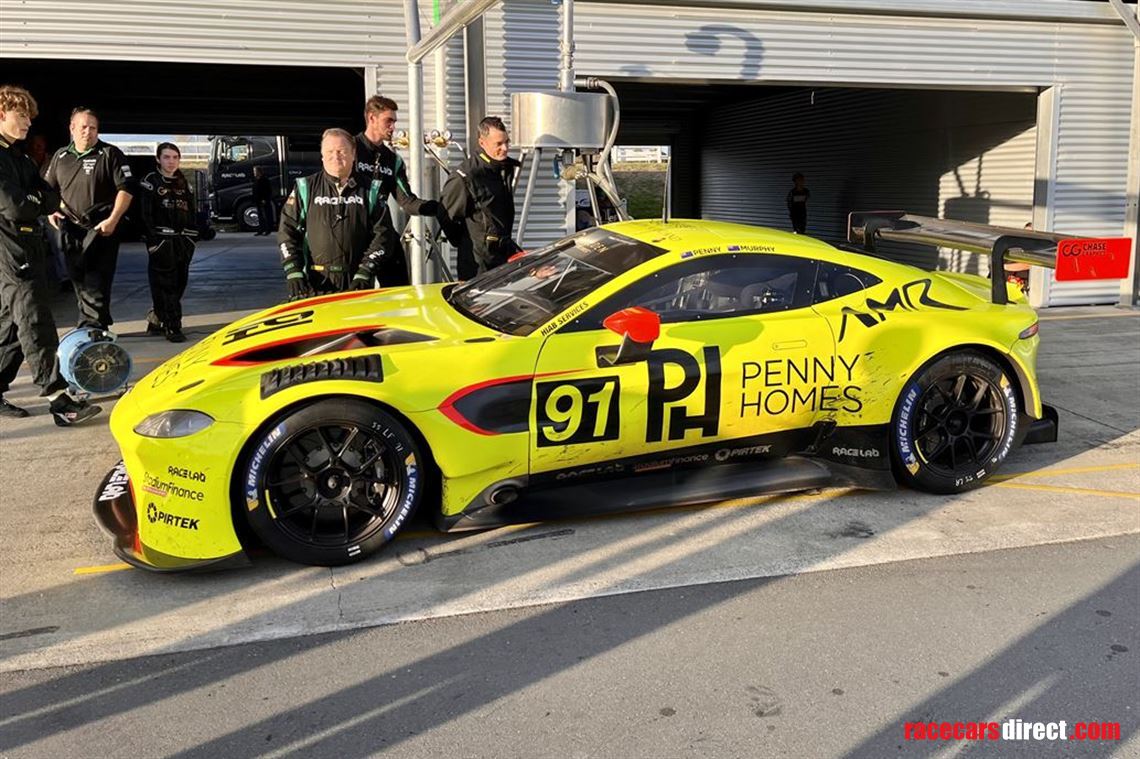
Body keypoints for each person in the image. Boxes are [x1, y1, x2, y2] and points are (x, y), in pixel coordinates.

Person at [0, 85, 100, 425]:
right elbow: (14, 206)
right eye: (22, 115)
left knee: (10, 325)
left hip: (26, 245)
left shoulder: (20, 158)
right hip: (9, 251)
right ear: (2, 114)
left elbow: (50, 196)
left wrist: (36, 200)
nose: (28, 122)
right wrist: (36, 201)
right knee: (34, 319)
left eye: (29, 116)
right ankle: (59, 399)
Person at [43, 107, 134, 329]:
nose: (88, 132)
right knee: (78, 280)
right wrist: (50, 210)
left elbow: (126, 189)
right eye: (83, 127)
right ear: (72, 128)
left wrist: (113, 219)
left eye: (93, 128)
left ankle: (92, 329)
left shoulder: (110, 154)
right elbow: (48, 189)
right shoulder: (60, 156)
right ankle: (96, 322)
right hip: (70, 229)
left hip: (101, 228)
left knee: (96, 281)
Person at [277, 128, 396, 298]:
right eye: (330, 151)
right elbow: (286, 232)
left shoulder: (372, 190)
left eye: (341, 151)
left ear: (353, 154)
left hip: (357, 283)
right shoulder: (305, 187)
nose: (336, 156)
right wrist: (293, 270)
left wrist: (366, 270)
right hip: (314, 283)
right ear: (322, 156)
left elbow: (384, 235)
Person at [354, 95, 440, 285]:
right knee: (356, 291)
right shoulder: (351, 149)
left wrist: (437, 208)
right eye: (388, 121)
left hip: (382, 231)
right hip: (354, 230)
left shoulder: (393, 160)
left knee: (399, 288)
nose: (393, 127)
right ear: (371, 118)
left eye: (394, 121)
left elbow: (407, 202)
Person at [440, 116, 521, 279]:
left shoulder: (503, 168)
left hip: (502, 254)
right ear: (482, 143)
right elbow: (446, 215)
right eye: (498, 144)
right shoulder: (466, 175)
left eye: (507, 142)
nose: (505, 148)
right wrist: (468, 241)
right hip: (477, 263)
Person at [139, 142, 196, 343]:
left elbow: (192, 212)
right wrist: (152, 241)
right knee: (166, 285)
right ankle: (173, 326)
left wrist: (193, 237)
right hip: (161, 240)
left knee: (180, 283)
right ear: (158, 159)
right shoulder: (150, 182)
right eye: (166, 157)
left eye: (175, 157)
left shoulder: (184, 183)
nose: (171, 161)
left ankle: (156, 318)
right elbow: (144, 214)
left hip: (183, 241)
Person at [251, 166, 274, 236]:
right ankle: (261, 229)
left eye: (255, 171)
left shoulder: (264, 179)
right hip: (258, 200)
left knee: (266, 215)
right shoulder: (256, 179)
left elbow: (267, 190)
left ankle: (268, 229)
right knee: (260, 216)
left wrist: (265, 199)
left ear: (259, 172)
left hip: (263, 200)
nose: (254, 173)